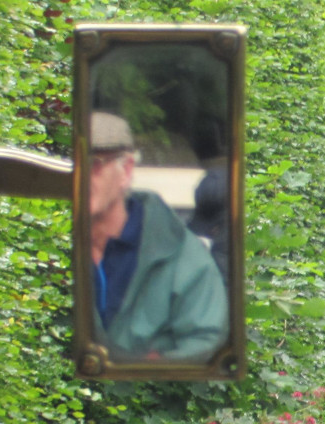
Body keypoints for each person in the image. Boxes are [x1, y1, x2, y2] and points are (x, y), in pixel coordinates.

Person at [88, 112, 227, 361]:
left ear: (126, 169)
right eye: (71, 164)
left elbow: (207, 344)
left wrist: (161, 363)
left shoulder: (188, 261)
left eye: (94, 163)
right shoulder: (47, 248)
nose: (80, 175)